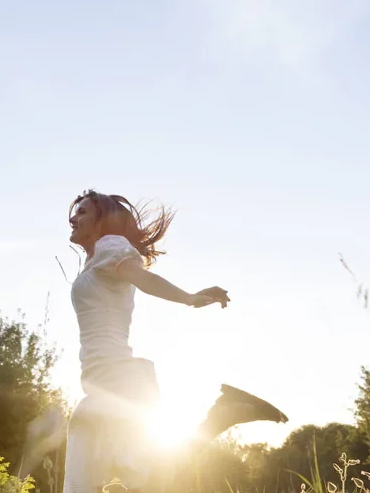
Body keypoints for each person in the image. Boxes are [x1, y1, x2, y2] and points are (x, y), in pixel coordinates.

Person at [63, 189, 287, 493]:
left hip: (118, 382)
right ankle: (222, 415)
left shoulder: (110, 247)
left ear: (103, 222)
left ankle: (222, 415)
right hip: (98, 384)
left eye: (84, 212)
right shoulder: (95, 262)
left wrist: (189, 298)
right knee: (118, 480)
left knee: (149, 477)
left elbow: (143, 279)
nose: (74, 218)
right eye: (76, 211)